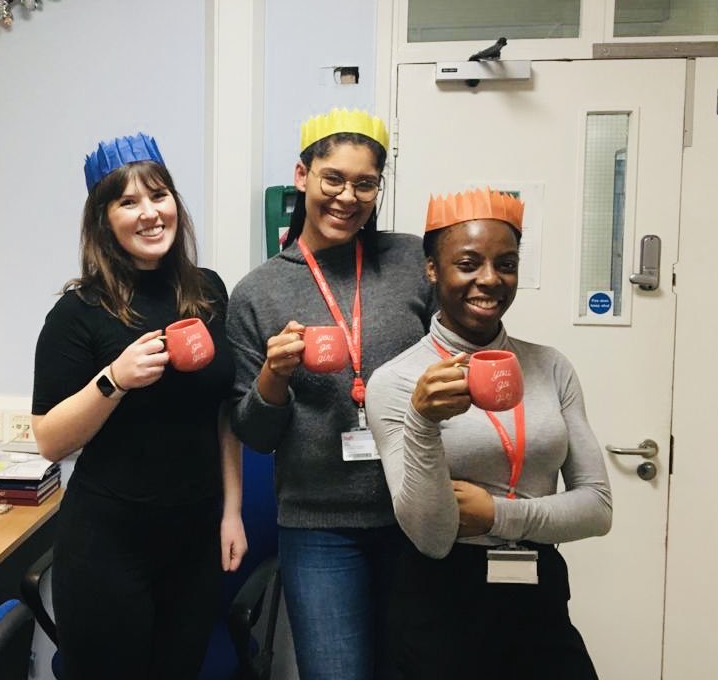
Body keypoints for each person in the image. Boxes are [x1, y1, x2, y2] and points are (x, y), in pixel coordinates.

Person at [364, 187, 612, 680]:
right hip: (440, 604)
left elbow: (597, 507)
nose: (490, 279)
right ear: (433, 270)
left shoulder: (551, 367)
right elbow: (432, 537)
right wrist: (422, 422)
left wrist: (498, 514)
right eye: (469, 263)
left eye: (506, 263)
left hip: (538, 593)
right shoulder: (398, 381)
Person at [30, 133, 247, 680]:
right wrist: (113, 380)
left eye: (159, 196)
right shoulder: (77, 312)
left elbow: (223, 416)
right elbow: (50, 439)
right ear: (104, 221)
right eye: (128, 202)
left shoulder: (209, 292)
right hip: (108, 542)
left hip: (194, 537)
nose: (150, 214)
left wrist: (232, 512)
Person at [227, 109, 433, 680]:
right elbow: (257, 435)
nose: (348, 196)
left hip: (415, 515)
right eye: (333, 179)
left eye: (365, 183)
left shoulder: (413, 264)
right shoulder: (257, 292)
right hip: (318, 528)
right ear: (302, 175)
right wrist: (273, 375)